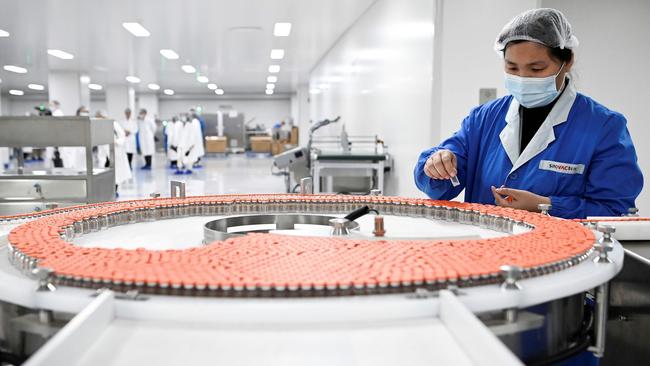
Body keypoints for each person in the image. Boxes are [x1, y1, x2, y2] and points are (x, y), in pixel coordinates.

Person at [414, 8, 643, 219]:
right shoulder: (483, 119)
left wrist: (545, 206)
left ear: (567, 62)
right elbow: (441, 186)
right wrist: (435, 165)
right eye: (512, 68)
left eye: (536, 68)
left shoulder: (603, 127)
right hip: (485, 254)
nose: (523, 78)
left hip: (560, 258)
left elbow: (615, 210)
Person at [95, 111, 132, 196]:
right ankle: (107, 190)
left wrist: (117, 142)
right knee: (105, 171)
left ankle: (114, 190)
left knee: (116, 173)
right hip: (104, 152)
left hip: (115, 151)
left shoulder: (113, 123)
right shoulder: (97, 126)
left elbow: (122, 135)